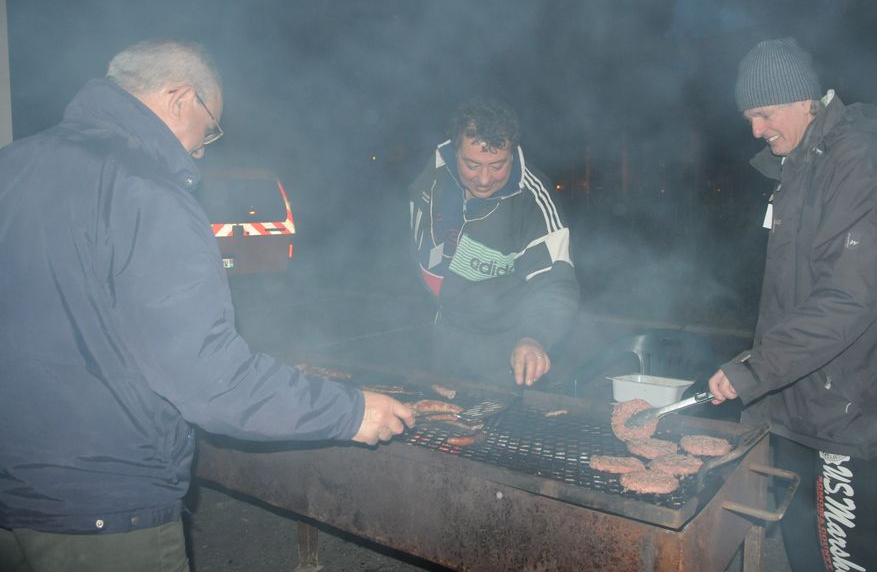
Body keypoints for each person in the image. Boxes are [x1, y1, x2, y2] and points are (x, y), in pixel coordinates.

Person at [0, 40, 414, 572]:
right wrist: (352, 411)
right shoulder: (148, 191)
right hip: (102, 506)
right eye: (210, 125)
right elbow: (209, 379)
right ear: (180, 99)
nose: (204, 146)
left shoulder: (13, 167)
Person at [708, 38, 877, 572]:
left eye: (763, 114)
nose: (755, 131)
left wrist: (757, 368)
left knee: (847, 554)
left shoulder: (861, 167)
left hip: (844, 401)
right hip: (804, 393)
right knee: (803, 540)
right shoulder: (804, 164)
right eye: (748, 118)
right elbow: (799, 290)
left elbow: (852, 296)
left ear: (804, 100)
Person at [410, 97, 579, 387]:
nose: (485, 179)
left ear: (512, 153)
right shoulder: (435, 173)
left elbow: (557, 284)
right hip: (438, 340)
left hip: (504, 355)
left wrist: (534, 337)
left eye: (498, 165)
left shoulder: (532, 200)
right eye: (472, 165)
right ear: (454, 151)